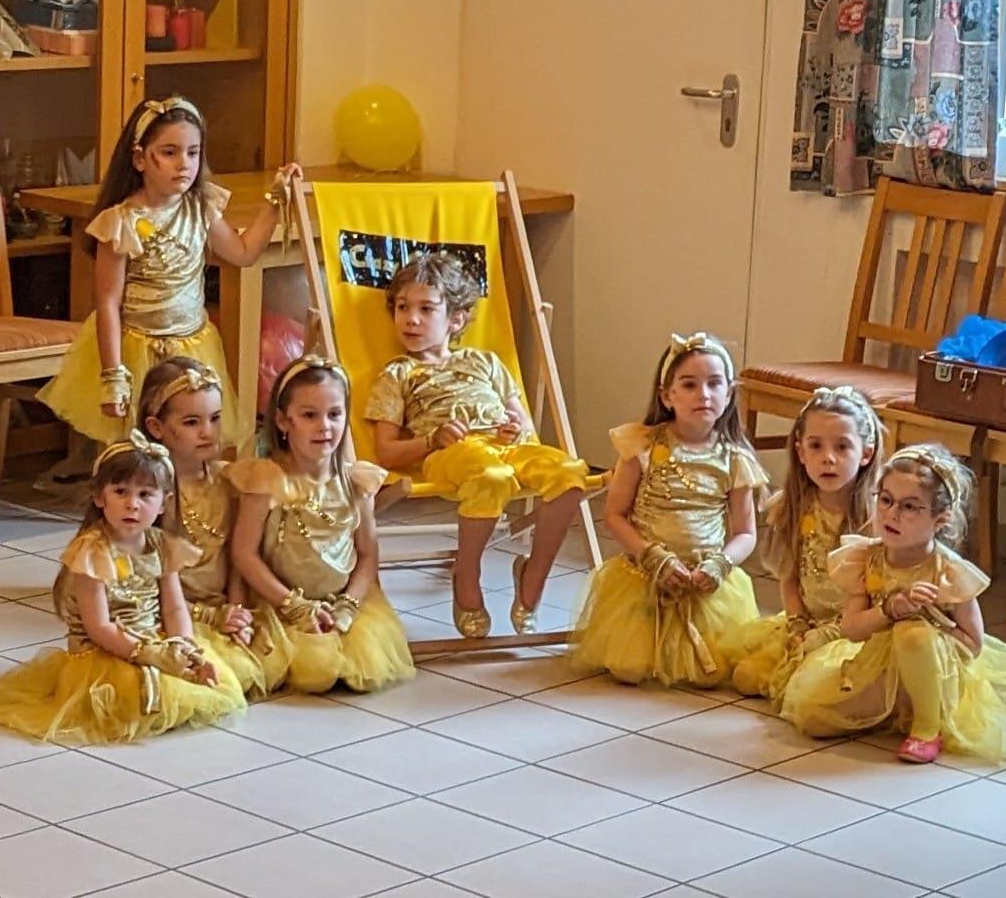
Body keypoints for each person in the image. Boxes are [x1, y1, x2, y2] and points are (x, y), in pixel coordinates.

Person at [38, 94, 301, 448]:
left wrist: (275, 201)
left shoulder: (201, 208)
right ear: (139, 158)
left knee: (191, 443)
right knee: (138, 448)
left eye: (193, 153)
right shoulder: (121, 221)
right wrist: (113, 375)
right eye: (169, 152)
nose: (184, 164)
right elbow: (108, 303)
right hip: (137, 351)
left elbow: (243, 254)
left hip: (192, 347)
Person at [365, 253, 590, 638]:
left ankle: (533, 575)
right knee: (491, 476)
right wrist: (431, 440)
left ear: (456, 319)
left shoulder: (485, 362)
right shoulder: (399, 373)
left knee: (571, 474)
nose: (411, 319)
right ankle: (466, 576)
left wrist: (515, 428)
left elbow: (522, 423)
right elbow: (386, 452)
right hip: (450, 453)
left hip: (504, 448)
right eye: (402, 308)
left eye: (426, 309)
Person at [780, 444, 1006, 763]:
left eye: (909, 507)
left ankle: (926, 726)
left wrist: (927, 621)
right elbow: (852, 629)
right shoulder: (867, 559)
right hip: (879, 666)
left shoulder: (946, 571)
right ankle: (892, 712)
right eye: (886, 500)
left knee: (912, 633)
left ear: (940, 520)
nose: (892, 514)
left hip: (937, 671)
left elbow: (973, 645)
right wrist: (889, 610)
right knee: (814, 718)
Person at [0, 432, 245, 743]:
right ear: (99, 497)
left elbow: (174, 607)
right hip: (107, 650)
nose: (132, 504)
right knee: (133, 695)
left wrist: (183, 645)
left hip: (153, 635)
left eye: (145, 495)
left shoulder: (162, 546)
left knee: (208, 673)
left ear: (164, 503)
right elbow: (99, 627)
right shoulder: (92, 552)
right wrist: (148, 653)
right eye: (121, 491)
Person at [570, 332, 767, 687]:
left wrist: (721, 564)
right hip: (645, 577)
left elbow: (745, 532)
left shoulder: (736, 459)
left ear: (729, 394)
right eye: (689, 385)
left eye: (714, 384)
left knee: (712, 673)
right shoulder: (642, 446)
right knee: (628, 666)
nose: (703, 394)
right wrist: (650, 556)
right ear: (667, 396)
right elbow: (614, 514)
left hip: (703, 583)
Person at [228, 355, 415, 693]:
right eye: (309, 416)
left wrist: (349, 605)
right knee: (315, 673)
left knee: (354, 670)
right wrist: (293, 605)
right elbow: (244, 553)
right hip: (280, 603)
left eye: (334, 414)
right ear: (283, 421)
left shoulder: (357, 481)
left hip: (340, 600)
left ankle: (334, 631)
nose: (324, 426)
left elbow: (367, 553)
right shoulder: (267, 479)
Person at [140, 357, 291, 697]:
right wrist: (208, 617)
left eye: (215, 418)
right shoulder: (151, 494)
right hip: (174, 612)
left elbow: (237, 553)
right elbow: (153, 578)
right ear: (156, 427)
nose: (207, 431)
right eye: (192, 422)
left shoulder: (230, 479)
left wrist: (236, 608)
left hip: (223, 605)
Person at [732, 387, 883, 701]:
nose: (828, 458)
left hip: (854, 629)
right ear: (801, 453)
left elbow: (875, 597)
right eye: (816, 446)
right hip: (807, 621)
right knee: (746, 677)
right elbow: (790, 577)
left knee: (821, 693)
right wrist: (797, 624)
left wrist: (829, 634)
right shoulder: (792, 507)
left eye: (842, 446)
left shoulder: (875, 517)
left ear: (866, 454)